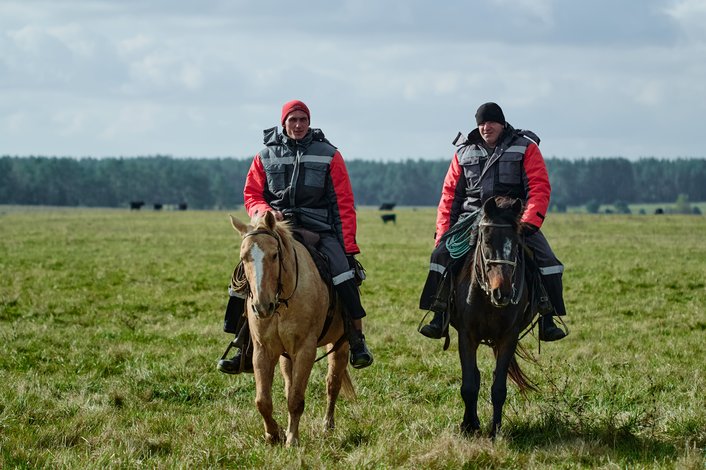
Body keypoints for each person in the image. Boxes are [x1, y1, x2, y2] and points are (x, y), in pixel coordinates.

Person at [217, 99, 374, 374]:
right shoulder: (265, 155)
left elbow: (343, 203)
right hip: (275, 229)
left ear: (309, 122)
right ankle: (241, 343)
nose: (298, 125)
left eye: (303, 119)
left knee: (344, 274)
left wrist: (346, 245)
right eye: (293, 120)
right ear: (284, 123)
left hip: (318, 229)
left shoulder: (329, 154)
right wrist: (266, 211)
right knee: (244, 275)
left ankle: (357, 341)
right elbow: (252, 194)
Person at [418, 102, 567, 341]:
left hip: (512, 220)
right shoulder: (463, 152)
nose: (486, 127)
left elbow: (539, 187)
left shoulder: (525, 148)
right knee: (439, 257)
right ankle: (439, 314)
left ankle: (548, 319)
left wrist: (528, 222)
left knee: (548, 261)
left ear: (502, 123)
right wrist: (443, 233)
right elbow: (450, 195)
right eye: (481, 123)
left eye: (491, 122)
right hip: (471, 220)